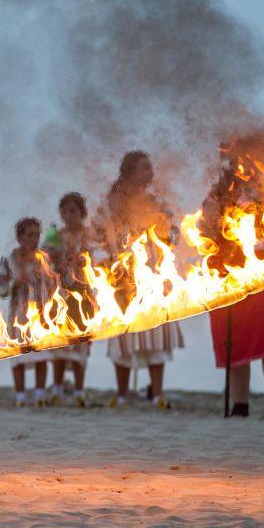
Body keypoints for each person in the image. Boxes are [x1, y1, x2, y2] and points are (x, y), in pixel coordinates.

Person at [201, 136, 264, 419]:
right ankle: (239, 405)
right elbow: (204, 227)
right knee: (234, 340)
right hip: (229, 272)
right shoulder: (220, 190)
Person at [94, 151, 184, 409]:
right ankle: (122, 394)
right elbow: (99, 235)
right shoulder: (111, 204)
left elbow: (172, 235)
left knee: (155, 335)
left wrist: (165, 229)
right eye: (144, 168)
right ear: (131, 172)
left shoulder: (156, 203)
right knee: (123, 334)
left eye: (150, 167)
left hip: (153, 272)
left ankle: (157, 395)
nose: (150, 173)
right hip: (121, 274)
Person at [0, 217, 58, 407]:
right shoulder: (8, 260)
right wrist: (14, 283)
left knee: (42, 356)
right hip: (17, 314)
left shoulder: (43, 259)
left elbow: (54, 284)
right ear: (20, 237)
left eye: (37, 235)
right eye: (30, 235)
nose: (34, 239)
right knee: (18, 356)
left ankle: (39, 395)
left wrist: (53, 307)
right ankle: (20, 396)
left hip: (40, 314)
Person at [42, 192, 94, 407]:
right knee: (60, 341)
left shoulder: (88, 235)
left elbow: (97, 258)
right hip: (60, 291)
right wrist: (49, 253)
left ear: (81, 213)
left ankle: (80, 390)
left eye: (73, 211)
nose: (68, 215)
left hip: (82, 291)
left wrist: (83, 258)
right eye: (64, 211)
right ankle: (57, 387)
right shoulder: (56, 235)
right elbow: (44, 257)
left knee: (81, 339)